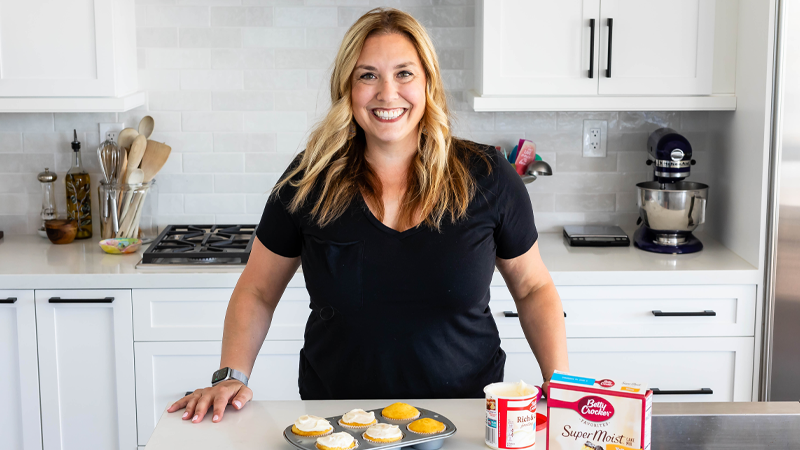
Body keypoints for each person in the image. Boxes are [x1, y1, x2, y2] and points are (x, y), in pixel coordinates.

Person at [168, 7, 568, 424]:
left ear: (428, 82)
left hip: (464, 421)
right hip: (338, 423)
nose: (387, 94)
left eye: (404, 74)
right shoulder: (309, 180)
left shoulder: (487, 176)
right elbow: (257, 290)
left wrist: (560, 382)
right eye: (368, 75)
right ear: (348, 88)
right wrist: (231, 375)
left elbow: (533, 288)